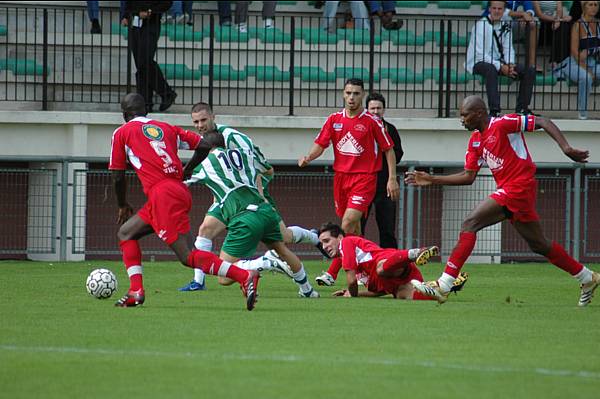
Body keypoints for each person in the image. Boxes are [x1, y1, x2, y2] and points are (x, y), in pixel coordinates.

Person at [406, 95, 599, 307]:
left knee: (470, 223)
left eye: (465, 115)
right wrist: (432, 179)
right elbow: (468, 177)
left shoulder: (502, 124)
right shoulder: (476, 141)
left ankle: (444, 284)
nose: (461, 120)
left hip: (519, 186)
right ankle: (587, 277)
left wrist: (566, 148)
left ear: (479, 113)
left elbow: (543, 121)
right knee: (539, 244)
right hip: (512, 191)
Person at [109, 93, 260, 311]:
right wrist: (186, 171)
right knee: (126, 233)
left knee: (188, 256)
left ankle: (245, 275)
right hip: (175, 190)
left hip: (163, 195)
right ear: (146, 112)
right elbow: (205, 144)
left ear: (124, 115)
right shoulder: (165, 127)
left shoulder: (121, 133)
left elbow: (117, 174)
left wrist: (122, 203)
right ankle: (136, 291)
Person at [179, 102, 323, 292]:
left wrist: (255, 192)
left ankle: (312, 237)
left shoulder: (235, 138)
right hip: (228, 199)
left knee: (284, 237)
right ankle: (198, 281)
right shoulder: (204, 140)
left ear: (214, 117)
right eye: (195, 122)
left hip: (253, 194)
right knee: (205, 229)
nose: (200, 125)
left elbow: (266, 170)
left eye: (203, 120)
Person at [299, 78, 400, 287]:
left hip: (364, 178)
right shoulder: (334, 119)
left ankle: (332, 273)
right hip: (341, 179)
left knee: (345, 224)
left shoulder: (372, 121)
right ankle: (367, 270)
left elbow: (388, 149)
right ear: (343, 94)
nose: (351, 97)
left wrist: (391, 178)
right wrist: (309, 157)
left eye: (356, 93)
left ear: (362, 95)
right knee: (354, 233)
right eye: (348, 93)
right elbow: (321, 144)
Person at [318, 222, 468, 299]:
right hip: (396, 281)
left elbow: (351, 281)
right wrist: (349, 293)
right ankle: (445, 288)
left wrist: (352, 293)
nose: (324, 247)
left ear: (339, 237)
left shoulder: (346, 243)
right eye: (322, 244)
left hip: (392, 263)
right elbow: (377, 292)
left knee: (381, 269)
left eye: (327, 241)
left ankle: (415, 253)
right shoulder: (359, 269)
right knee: (402, 295)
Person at [467, 0, 536, 117]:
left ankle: (522, 108)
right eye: (494, 8)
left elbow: (508, 47)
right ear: (489, 9)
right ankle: (495, 110)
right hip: (478, 62)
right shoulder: (481, 25)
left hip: (499, 62)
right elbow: (480, 54)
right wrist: (501, 66)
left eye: (499, 9)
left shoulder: (505, 25)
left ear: (504, 11)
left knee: (529, 70)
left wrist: (510, 65)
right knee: (490, 69)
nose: (496, 11)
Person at [122, 1, 177, 113]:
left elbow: (166, 3)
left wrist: (150, 12)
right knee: (140, 65)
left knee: (145, 61)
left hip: (151, 24)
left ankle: (166, 93)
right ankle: (145, 103)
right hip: (135, 24)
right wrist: (125, 15)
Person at [554, 1, 600, 120]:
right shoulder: (577, 25)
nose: (593, 7)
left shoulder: (599, 23)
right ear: (584, 7)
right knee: (586, 77)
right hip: (576, 62)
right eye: (590, 4)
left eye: (596, 5)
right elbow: (575, 52)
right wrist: (587, 69)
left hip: (593, 62)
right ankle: (583, 113)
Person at [533, 1, 572, 68]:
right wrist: (556, 20)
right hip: (541, 23)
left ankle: (556, 61)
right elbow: (539, 14)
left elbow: (559, 11)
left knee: (563, 25)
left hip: (553, 22)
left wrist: (557, 20)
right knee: (559, 24)